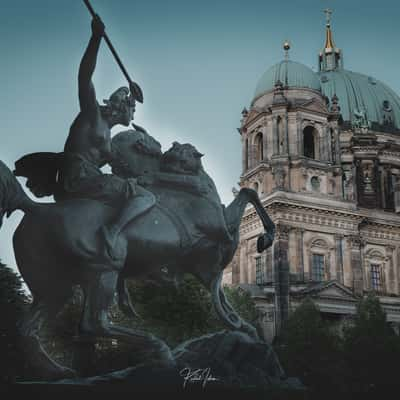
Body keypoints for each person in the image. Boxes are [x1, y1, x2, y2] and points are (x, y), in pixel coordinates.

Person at [60, 15, 155, 261]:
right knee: (144, 197)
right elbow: (84, 77)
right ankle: (112, 233)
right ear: (121, 105)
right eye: (132, 108)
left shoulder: (110, 139)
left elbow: (124, 168)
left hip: (89, 178)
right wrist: (95, 39)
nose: (134, 112)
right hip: (78, 176)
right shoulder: (92, 115)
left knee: (135, 191)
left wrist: (148, 148)